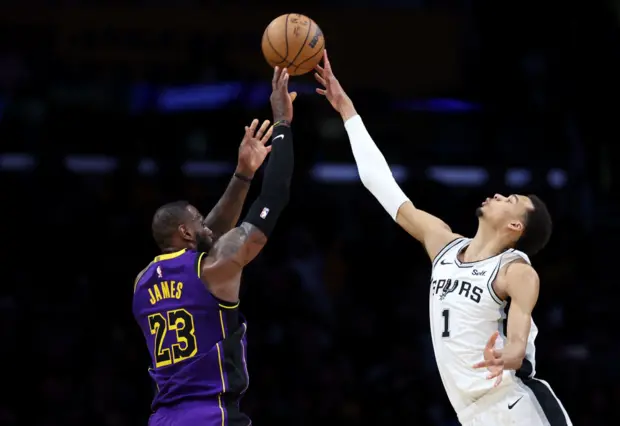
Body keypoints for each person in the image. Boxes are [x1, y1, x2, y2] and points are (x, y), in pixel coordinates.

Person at [314, 50, 572, 426]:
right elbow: (381, 186)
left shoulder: (514, 270)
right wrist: (348, 112)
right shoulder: (444, 244)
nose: (499, 195)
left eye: (510, 200)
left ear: (516, 227)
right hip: (472, 414)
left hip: (516, 407)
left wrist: (513, 352)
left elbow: (518, 332)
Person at [132, 66, 297, 426]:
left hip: (162, 418)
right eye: (197, 218)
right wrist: (283, 123)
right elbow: (275, 197)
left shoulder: (142, 282)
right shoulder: (213, 270)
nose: (205, 222)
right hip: (211, 415)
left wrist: (243, 174)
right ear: (186, 233)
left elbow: (210, 232)